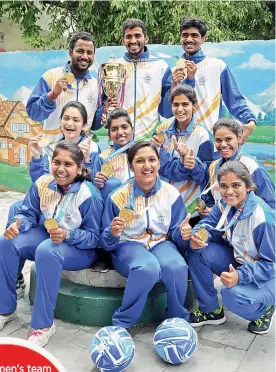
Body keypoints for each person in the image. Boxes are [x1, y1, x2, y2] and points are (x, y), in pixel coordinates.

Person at [0, 141, 103, 347]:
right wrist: (17, 224)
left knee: (47, 251)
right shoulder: (43, 184)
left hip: (80, 248)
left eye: (68, 164)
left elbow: (95, 238)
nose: (61, 169)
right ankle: (5, 309)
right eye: (57, 162)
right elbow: (27, 213)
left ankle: (42, 326)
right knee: (7, 241)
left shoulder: (88, 194)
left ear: (79, 168)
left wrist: (68, 235)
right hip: (49, 234)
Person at [9, 101, 101, 299]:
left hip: (73, 215)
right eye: (66, 118)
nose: (70, 123)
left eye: (76, 120)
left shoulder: (91, 148)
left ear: (84, 124)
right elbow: (43, 183)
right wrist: (36, 157)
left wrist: (89, 164)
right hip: (53, 209)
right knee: (17, 211)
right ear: (60, 122)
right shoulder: (53, 147)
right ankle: (14, 276)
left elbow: (93, 187)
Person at [100, 141, 192, 328]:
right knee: (147, 268)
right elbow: (105, 240)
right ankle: (122, 323)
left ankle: (177, 320)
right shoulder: (118, 196)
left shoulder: (171, 193)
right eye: (140, 161)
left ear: (159, 163)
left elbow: (175, 232)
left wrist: (183, 233)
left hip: (160, 242)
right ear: (130, 166)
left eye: (152, 159)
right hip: (129, 244)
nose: (147, 166)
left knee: (176, 266)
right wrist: (113, 232)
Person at [187, 160, 275, 334]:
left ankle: (263, 310)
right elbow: (208, 225)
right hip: (242, 261)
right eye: (224, 186)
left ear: (248, 186)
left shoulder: (263, 218)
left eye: (236, 185)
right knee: (197, 250)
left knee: (231, 295)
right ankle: (211, 310)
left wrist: (240, 277)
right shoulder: (224, 205)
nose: (229, 191)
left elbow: (271, 265)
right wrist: (197, 235)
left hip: (269, 275)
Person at [173, 17, 256, 141]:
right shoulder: (175, 70)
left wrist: (250, 121)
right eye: (185, 35)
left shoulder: (217, 66)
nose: (189, 39)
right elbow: (170, 109)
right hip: (181, 141)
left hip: (211, 140)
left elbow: (235, 101)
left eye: (194, 35)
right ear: (180, 38)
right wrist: (175, 83)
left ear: (203, 38)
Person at [93, 108, 201, 202]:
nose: (120, 132)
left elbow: (175, 172)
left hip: (150, 207)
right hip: (119, 211)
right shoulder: (103, 158)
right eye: (114, 129)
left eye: (124, 127)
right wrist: (97, 185)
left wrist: (184, 158)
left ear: (132, 129)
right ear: (109, 133)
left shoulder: (149, 150)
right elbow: (96, 193)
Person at [98, 18, 173, 140]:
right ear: (123, 40)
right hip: (120, 138)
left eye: (138, 36)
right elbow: (104, 104)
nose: (133, 41)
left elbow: (167, 111)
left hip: (149, 138)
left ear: (146, 38)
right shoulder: (114, 67)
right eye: (128, 37)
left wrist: (175, 85)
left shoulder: (161, 66)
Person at [26, 31, 102, 143]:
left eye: (89, 52)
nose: (85, 56)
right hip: (54, 152)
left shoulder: (96, 85)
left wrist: (104, 111)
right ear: (70, 52)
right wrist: (52, 95)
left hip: (82, 153)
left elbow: (94, 125)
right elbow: (33, 113)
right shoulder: (51, 77)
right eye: (80, 51)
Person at [153, 84, 215, 217]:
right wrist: (159, 150)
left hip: (190, 207)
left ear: (194, 106)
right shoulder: (161, 130)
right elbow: (156, 166)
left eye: (185, 104)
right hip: (162, 202)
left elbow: (207, 177)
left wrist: (192, 164)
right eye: (176, 105)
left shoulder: (202, 135)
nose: (180, 109)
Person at [202, 118, 275, 214]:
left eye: (228, 139)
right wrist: (210, 211)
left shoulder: (252, 167)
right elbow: (212, 200)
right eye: (218, 140)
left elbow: (271, 206)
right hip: (222, 227)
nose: (223, 144)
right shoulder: (213, 167)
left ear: (239, 138)